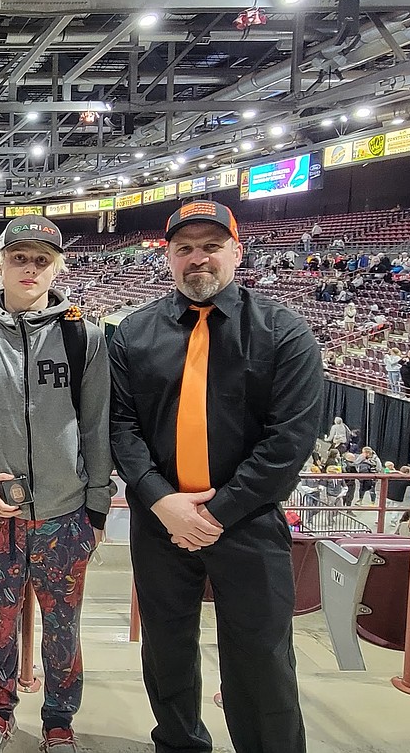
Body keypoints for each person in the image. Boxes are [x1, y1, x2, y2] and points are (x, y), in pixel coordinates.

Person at [109, 201, 322, 753]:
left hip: (249, 522)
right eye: (184, 249)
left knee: (261, 658)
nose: (197, 259)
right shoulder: (133, 334)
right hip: (161, 524)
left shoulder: (284, 333)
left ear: (237, 251)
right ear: (168, 257)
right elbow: (121, 428)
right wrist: (162, 502)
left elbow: (288, 444)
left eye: (210, 246)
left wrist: (213, 513)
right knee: (167, 652)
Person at [0, 216, 113, 753]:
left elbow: (96, 426)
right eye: (20, 257)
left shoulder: (83, 335)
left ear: (57, 266)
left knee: (63, 627)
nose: (31, 268)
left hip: (64, 517)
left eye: (42, 259)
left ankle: (59, 722)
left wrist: (98, 507)